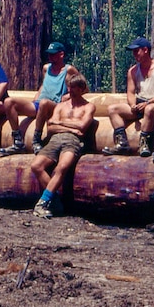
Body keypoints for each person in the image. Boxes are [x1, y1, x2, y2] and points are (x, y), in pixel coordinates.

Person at [0, 41, 80, 156]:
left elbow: (83, 87)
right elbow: (44, 84)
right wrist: (36, 96)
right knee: (8, 102)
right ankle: (17, 141)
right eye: (49, 54)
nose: (50, 57)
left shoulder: (69, 70)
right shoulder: (46, 68)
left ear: (61, 54)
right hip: (39, 104)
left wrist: (68, 96)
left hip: (54, 106)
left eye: (53, 54)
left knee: (44, 103)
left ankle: (36, 140)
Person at [31, 73, 96, 218]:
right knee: (36, 166)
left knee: (62, 168)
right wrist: (72, 128)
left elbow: (83, 126)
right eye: (69, 87)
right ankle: (55, 200)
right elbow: (51, 127)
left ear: (81, 88)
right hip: (54, 139)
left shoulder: (89, 106)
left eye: (73, 87)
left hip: (73, 142)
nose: (70, 90)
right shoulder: (60, 106)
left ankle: (43, 202)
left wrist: (60, 123)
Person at [102, 37, 154, 156]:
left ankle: (144, 144)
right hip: (139, 103)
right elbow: (131, 92)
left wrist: (148, 103)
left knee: (149, 109)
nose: (134, 54)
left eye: (136, 51)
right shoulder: (132, 71)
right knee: (112, 109)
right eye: (133, 52)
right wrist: (133, 105)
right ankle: (122, 143)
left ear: (145, 50)